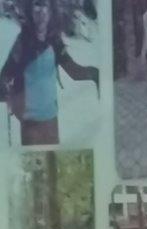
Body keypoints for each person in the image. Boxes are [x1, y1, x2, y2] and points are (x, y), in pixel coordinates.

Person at [0, 0, 99, 145]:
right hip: (30, 123)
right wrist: (7, 91)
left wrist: (95, 74)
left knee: (53, 159)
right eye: (36, 4)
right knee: (36, 160)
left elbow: (73, 71)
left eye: (44, 5)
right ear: (30, 10)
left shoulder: (54, 41)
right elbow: (5, 75)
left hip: (51, 118)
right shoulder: (23, 42)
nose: (40, 10)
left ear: (51, 11)